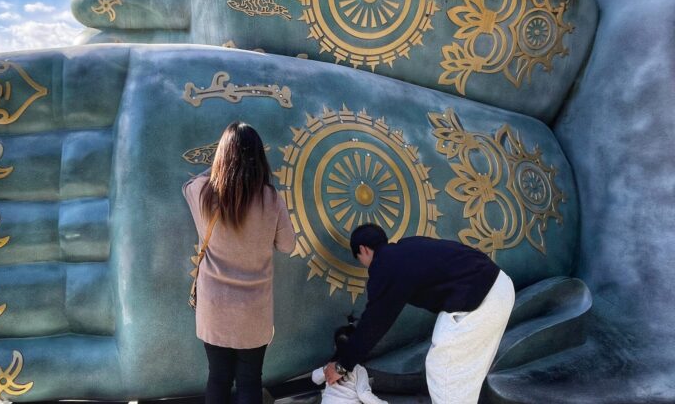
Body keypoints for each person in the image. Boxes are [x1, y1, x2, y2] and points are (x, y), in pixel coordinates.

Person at [323, 224, 514, 404]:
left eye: (360, 260)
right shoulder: (409, 246)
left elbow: (375, 322)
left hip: (480, 298)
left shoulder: (385, 265)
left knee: (443, 369)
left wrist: (343, 365)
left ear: (363, 250)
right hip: (498, 286)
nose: (365, 265)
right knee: (462, 373)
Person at [183, 121, 296, 404]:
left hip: (214, 309)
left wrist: (219, 169)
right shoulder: (271, 198)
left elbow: (187, 185)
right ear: (259, 157)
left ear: (222, 155)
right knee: (249, 381)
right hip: (253, 313)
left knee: (218, 378)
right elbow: (288, 244)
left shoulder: (202, 193)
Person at [312, 320, 387, 404]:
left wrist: (324, 370)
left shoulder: (331, 367)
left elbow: (315, 378)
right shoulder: (359, 370)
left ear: (335, 347)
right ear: (358, 349)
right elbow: (364, 394)